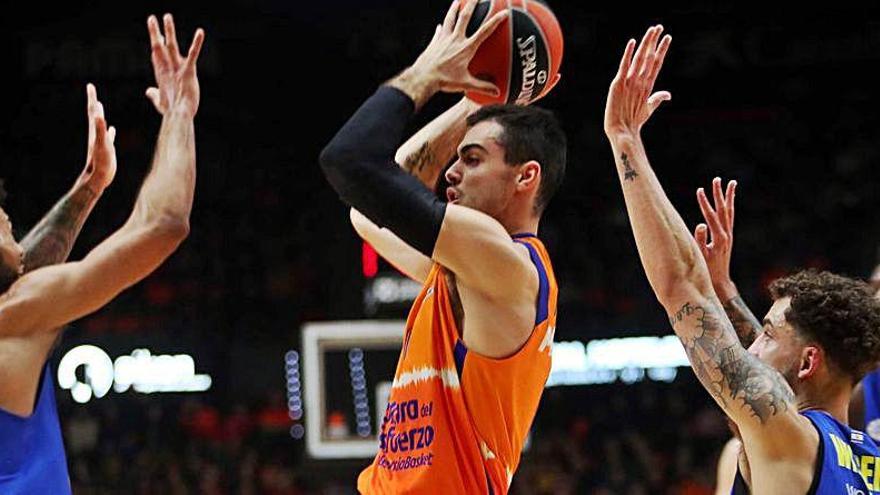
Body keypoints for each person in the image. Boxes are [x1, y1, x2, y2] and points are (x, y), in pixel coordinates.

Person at [604, 24, 880, 493]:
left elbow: (681, 288)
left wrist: (625, 138)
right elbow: (774, 368)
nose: (750, 346)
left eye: (768, 335)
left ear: (810, 362)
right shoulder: (867, 457)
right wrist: (727, 293)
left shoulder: (788, 438)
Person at [319, 1, 565, 492]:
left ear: (526, 177)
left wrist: (426, 75)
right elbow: (366, 211)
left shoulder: (506, 264)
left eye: (472, 160)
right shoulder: (466, 270)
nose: (450, 173)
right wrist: (475, 102)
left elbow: (351, 162)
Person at [0, 14, 204, 493]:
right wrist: (178, 111)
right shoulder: (15, 316)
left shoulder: (15, 316)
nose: (7, 216)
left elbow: (25, 280)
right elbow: (162, 225)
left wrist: (88, 190)